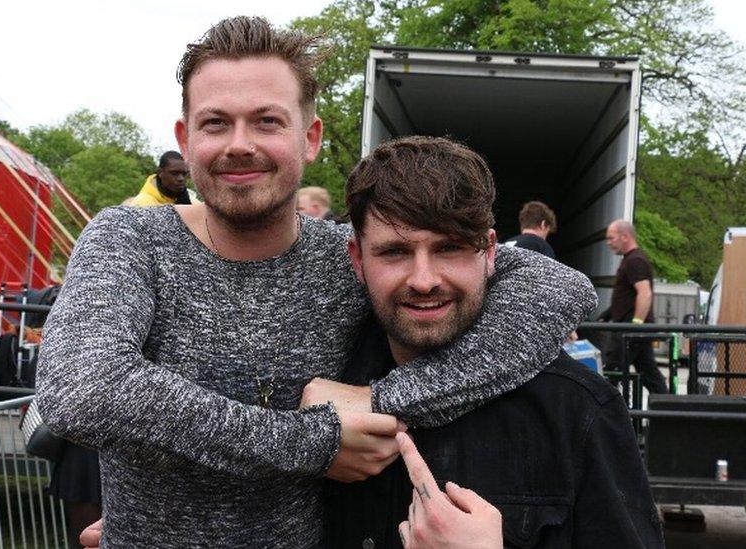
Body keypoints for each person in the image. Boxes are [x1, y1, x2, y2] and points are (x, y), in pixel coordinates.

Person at [39, 16, 595, 547]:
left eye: (266, 121)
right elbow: (80, 389)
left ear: (310, 138)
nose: (239, 144)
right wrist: (315, 441)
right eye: (216, 123)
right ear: (186, 140)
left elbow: (556, 291)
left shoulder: (346, 258)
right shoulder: (130, 239)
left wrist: (378, 399)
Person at [313, 136, 662, 548]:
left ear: (491, 252)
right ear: (357, 259)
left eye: (450, 248)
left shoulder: (579, 413)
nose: (424, 280)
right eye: (394, 252)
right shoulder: (318, 393)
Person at [604, 219, 668, 394]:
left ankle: (608, 416)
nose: (608, 243)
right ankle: (669, 413)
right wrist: (607, 315)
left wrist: (636, 325)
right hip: (634, 329)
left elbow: (645, 293)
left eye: (611, 238)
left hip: (631, 331)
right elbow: (627, 297)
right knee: (649, 375)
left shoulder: (635, 260)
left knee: (612, 372)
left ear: (625, 236)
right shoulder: (630, 259)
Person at [125, 150, 199, 206]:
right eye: (174, 173)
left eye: (184, 174)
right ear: (160, 172)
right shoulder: (143, 204)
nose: (181, 178)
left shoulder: (193, 202)